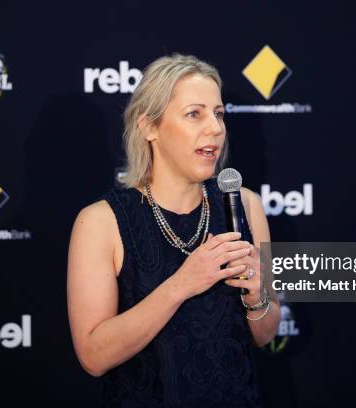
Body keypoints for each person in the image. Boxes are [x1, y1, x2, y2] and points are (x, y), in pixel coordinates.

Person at [67, 53, 280, 407]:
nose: (214, 127)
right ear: (149, 127)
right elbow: (93, 356)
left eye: (218, 114)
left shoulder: (245, 206)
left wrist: (258, 295)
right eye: (194, 114)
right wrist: (183, 283)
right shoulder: (100, 222)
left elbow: (266, 333)